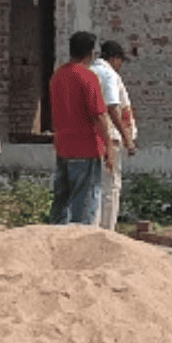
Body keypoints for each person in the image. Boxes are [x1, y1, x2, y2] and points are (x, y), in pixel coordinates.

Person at [48, 31, 115, 225]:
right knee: (85, 203)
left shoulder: (58, 75)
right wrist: (109, 147)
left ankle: (56, 236)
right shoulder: (88, 76)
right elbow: (99, 115)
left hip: (63, 146)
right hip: (86, 147)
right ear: (91, 52)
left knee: (62, 201)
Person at [90, 40, 137, 230]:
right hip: (108, 137)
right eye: (120, 61)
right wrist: (128, 139)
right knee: (110, 187)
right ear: (114, 58)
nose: (120, 66)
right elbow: (113, 107)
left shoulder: (88, 71)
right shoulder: (108, 74)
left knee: (92, 187)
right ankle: (106, 231)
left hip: (88, 137)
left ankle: (91, 229)